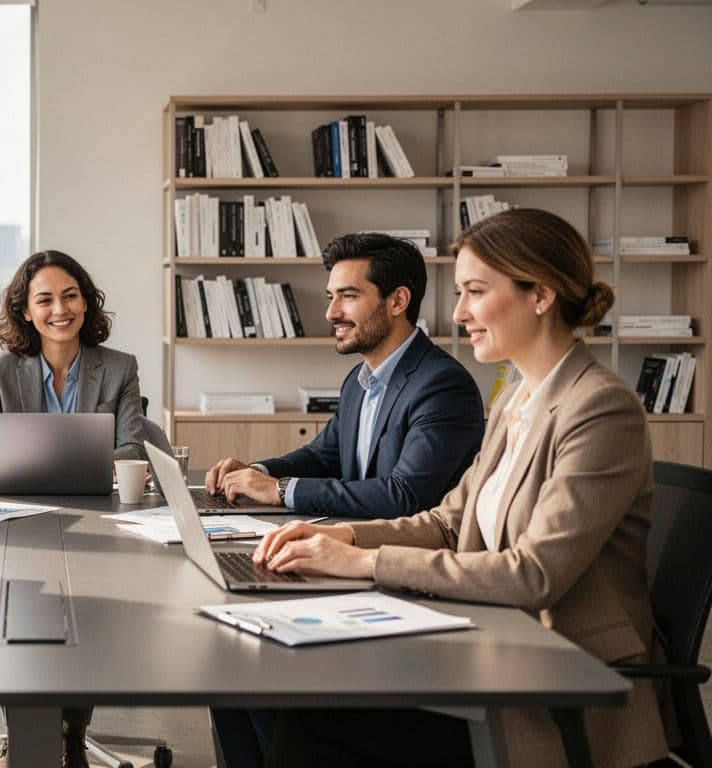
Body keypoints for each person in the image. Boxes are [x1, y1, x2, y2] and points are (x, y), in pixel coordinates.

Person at [254, 208, 668, 767]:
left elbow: (534, 574)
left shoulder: (598, 407)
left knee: (311, 717)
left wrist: (366, 563)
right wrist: (343, 538)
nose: (460, 312)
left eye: (475, 290)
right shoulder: (514, 399)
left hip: (557, 674)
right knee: (268, 686)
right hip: (486, 639)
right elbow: (448, 522)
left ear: (540, 294)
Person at [205, 232, 487, 763]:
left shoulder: (441, 384)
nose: (331, 311)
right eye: (330, 295)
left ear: (397, 301)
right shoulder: (363, 380)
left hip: (408, 584)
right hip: (350, 566)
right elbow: (325, 455)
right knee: (227, 671)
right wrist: (257, 471)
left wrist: (281, 491)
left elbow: (406, 495)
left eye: (348, 296)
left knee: (257, 677)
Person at [0, 249, 146, 767]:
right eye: (45, 299)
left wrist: (57, 459)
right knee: (19, 622)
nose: (59, 309)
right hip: (18, 523)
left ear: (86, 303)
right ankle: (23, 734)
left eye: (70, 295)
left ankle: (72, 733)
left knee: (85, 625)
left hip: (96, 521)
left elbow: (131, 449)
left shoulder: (119, 367)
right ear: (25, 310)